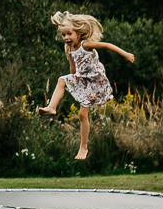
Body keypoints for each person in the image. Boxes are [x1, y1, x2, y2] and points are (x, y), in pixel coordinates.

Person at [37, 11, 134, 161]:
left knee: (83, 115)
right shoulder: (70, 50)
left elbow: (107, 45)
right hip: (83, 80)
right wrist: (73, 78)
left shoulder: (86, 45)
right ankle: (52, 107)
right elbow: (73, 70)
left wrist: (125, 54)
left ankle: (83, 148)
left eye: (69, 34)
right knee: (62, 80)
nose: (66, 38)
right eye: (63, 35)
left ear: (79, 34)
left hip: (95, 82)